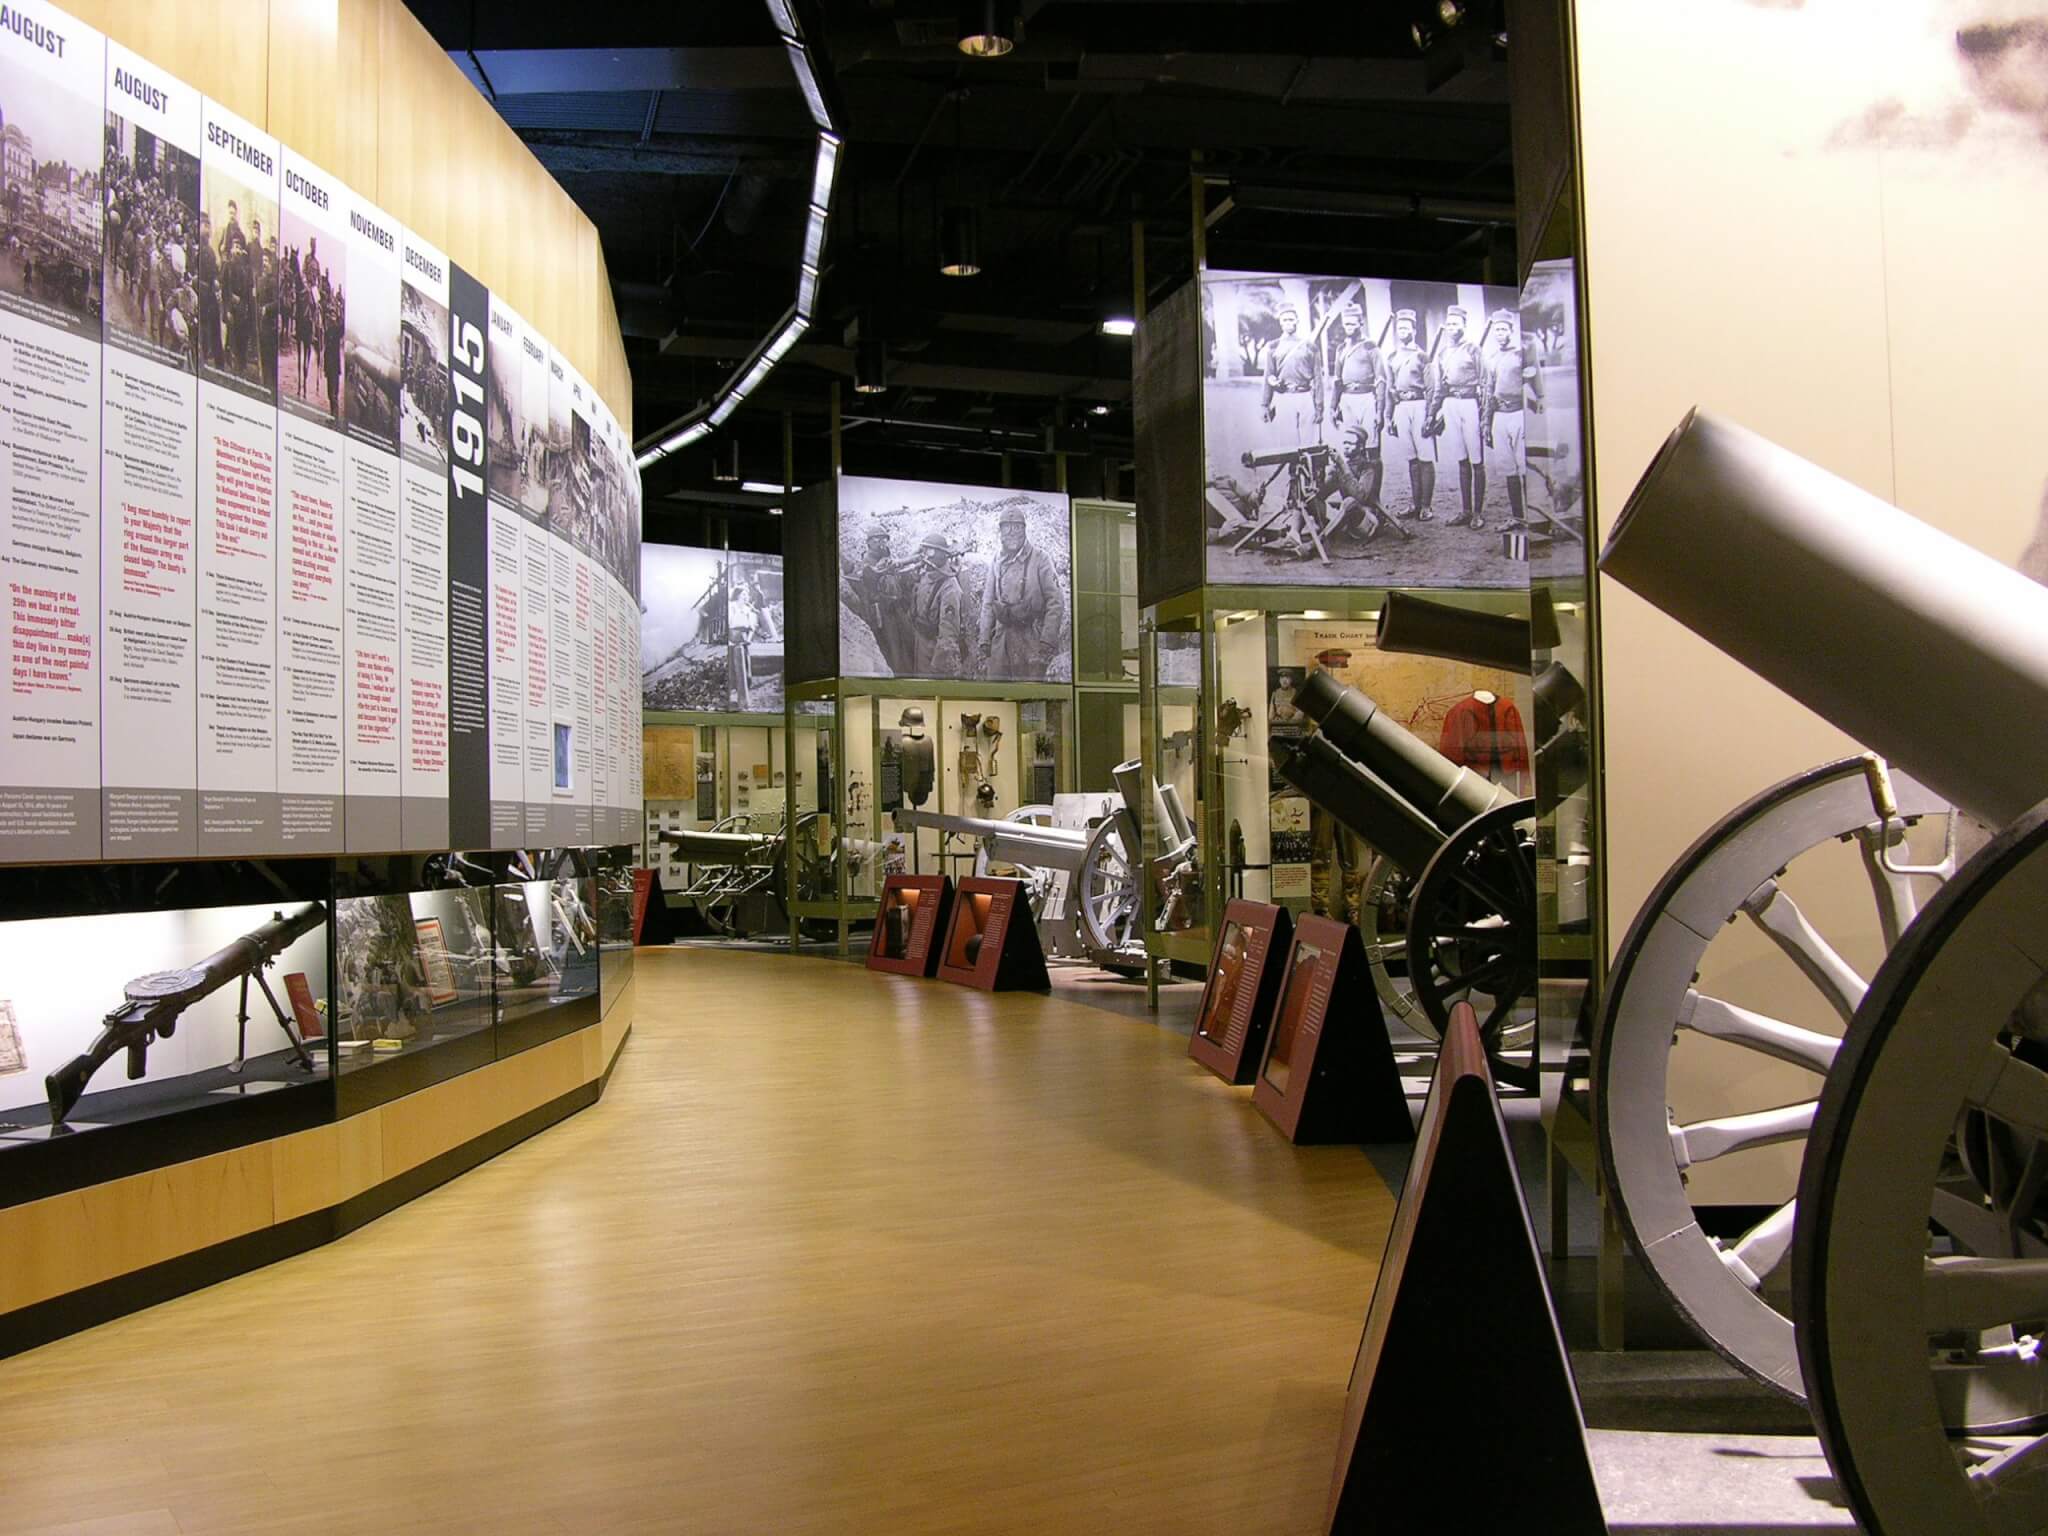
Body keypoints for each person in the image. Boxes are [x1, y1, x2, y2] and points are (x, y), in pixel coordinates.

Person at [977, 506, 1061, 678]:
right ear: (1000, 532)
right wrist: (985, 639)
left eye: (1016, 527)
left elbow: (1056, 601)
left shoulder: (1041, 558)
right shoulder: (996, 561)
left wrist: (1046, 640)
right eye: (1006, 527)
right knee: (997, 694)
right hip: (1001, 640)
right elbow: (988, 601)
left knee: (1030, 693)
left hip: (1031, 639)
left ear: (1024, 529)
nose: (1011, 532)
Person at [1480, 307, 1542, 530]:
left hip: (1518, 414)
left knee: (1523, 467)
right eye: (1496, 330)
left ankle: (1533, 517)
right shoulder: (1492, 358)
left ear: (1510, 330)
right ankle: (1517, 516)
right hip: (1499, 416)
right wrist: (1486, 422)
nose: (1500, 333)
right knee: (1509, 469)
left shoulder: (1521, 353)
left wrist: (1540, 397)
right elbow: (1488, 390)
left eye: (1503, 329)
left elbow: (1534, 378)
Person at [1427, 304, 1488, 530]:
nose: (1452, 327)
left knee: (1476, 460)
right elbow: (1440, 387)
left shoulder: (1473, 349)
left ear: (1464, 325)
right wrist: (1432, 414)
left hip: (1470, 404)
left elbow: (1484, 382)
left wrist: (1485, 415)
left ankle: (1478, 513)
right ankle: (1465, 510)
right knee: (1461, 459)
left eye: (1456, 323)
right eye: (1449, 324)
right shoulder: (1443, 353)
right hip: (1451, 405)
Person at [1330, 303, 1389, 513]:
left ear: (1360, 323)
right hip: (1347, 399)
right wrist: (1333, 405)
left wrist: (1380, 410)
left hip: (1367, 398)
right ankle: (1353, 501)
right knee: (1351, 449)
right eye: (1346, 323)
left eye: (1353, 322)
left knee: (1372, 450)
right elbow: (1337, 380)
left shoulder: (1371, 346)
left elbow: (1381, 380)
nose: (1349, 326)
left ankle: (1374, 501)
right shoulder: (1340, 349)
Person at [1381, 309, 1435, 521]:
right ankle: (1415, 503)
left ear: (1414, 329)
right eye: (1399, 328)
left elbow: (1431, 388)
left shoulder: (1422, 356)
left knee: (1425, 457)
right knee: (1411, 458)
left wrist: (1430, 415)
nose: (1402, 331)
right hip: (1401, 407)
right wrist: (1389, 415)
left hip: (1419, 405)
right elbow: (1389, 388)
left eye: (1406, 327)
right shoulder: (1392, 357)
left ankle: (1427, 506)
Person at [848, 526, 916, 674]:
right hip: (884, 613)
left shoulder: (887, 557)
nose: (882, 543)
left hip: (897, 607)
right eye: (877, 539)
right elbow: (868, 586)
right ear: (869, 543)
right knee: (894, 647)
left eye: (884, 539)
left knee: (909, 640)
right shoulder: (867, 563)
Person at [1258, 303, 1322, 444]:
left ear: (1297, 321)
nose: (1288, 323)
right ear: (1280, 322)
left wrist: (1319, 407)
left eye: (1291, 319)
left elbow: (1318, 379)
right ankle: (1292, 467)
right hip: (1284, 397)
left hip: (1305, 396)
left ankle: (1308, 467)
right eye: (1285, 319)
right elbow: (1268, 376)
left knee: (1309, 442)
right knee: (1287, 444)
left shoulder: (1309, 346)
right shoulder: (1273, 346)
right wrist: (1264, 405)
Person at [911, 534, 970, 679]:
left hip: (935, 649)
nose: (926, 555)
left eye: (929, 551)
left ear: (942, 555)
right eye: (924, 550)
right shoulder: (927, 574)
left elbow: (948, 633)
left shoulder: (950, 588)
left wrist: (938, 666)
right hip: (921, 642)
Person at [725, 568, 757, 710]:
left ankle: (744, 699)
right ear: (737, 595)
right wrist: (731, 640)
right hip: (733, 641)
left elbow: (752, 627)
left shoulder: (749, 609)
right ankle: (738, 700)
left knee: (747, 674)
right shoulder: (731, 607)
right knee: (734, 673)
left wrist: (749, 638)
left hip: (744, 641)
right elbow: (730, 625)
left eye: (747, 595)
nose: (746, 596)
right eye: (743, 594)